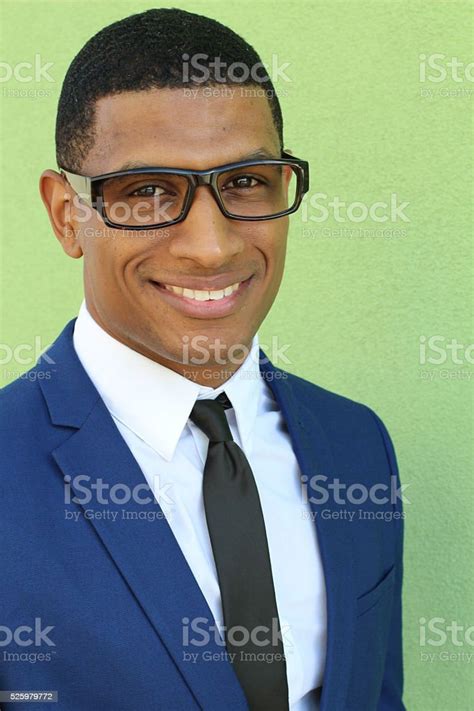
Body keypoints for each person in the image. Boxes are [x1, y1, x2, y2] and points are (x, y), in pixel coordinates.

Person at [0, 8, 405, 710]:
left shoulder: (357, 446)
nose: (211, 247)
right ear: (69, 215)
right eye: (149, 191)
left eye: (247, 181)